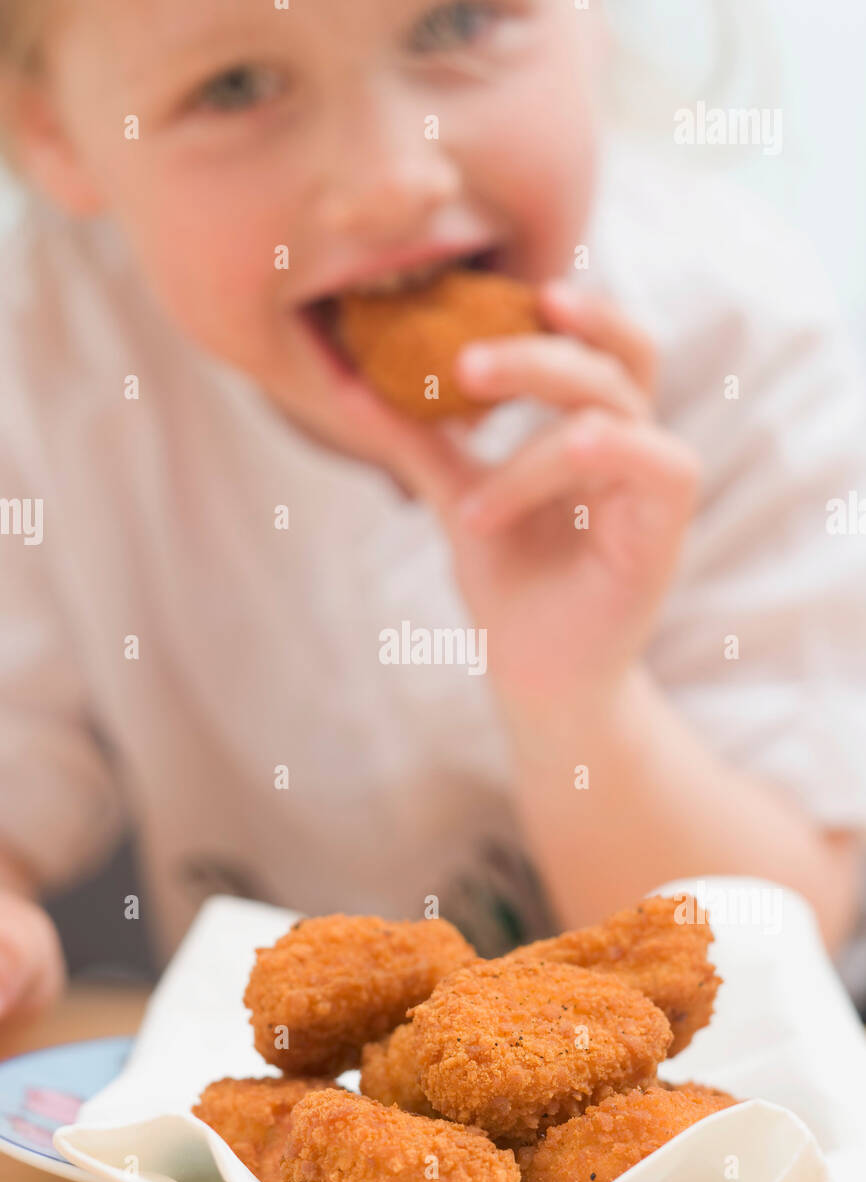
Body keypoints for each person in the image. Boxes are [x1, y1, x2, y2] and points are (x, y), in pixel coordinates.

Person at [0, 0, 864, 1043]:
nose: (393, 179)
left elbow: (764, 956)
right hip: (261, 1101)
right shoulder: (47, 367)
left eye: (457, 24)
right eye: (234, 87)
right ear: (52, 133)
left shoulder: (740, 348)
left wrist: (576, 701)